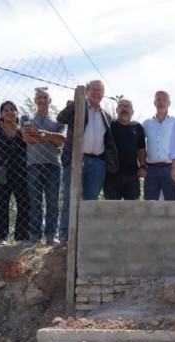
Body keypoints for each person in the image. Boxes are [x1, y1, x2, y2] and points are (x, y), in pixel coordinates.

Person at [56, 80, 118, 242]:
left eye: (100, 90)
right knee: (71, 198)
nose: (97, 93)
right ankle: (65, 235)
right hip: (77, 160)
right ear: (87, 91)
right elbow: (60, 118)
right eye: (94, 89)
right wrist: (78, 102)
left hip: (98, 163)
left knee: (91, 201)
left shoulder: (106, 116)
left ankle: (86, 236)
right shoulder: (78, 107)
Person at [22, 88, 66, 245]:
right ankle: (35, 236)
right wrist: (50, 137)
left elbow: (61, 141)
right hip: (33, 164)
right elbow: (27, 138)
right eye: (39, 97)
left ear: (50, 100)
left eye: (45, 97)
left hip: (53, 164)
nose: (42, 100)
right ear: (35, 100)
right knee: (34, 202)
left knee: (53, 202)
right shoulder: (26, 117)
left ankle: (51, 236)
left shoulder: (59, 121)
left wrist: (39, 133)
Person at [0, 101, 29, 245]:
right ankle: (1, 238)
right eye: (6, 110)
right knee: (1, 204)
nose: (9, 112)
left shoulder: (23, 131)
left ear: (17, 113)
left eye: (12, 110)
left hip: (21, 172)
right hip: (1, 171)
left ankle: (21, 237)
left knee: (24, 202)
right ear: (1, 115)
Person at [104, 99, 146, 200]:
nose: (124, 109)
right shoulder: (109, 126)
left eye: (128, 106)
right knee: (112, 208)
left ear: (132, 111)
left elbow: (141, 149)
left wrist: (143, 167)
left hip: (132, 175)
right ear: (117, 110)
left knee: (132, 209)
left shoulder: (138, 127)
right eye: (122, 106)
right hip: (112, 174)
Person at [141, 90, 175, 201]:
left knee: (172, 203)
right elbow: (141, 147)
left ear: (169, 103)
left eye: (164, 100)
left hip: (169, 168)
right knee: (150, 204)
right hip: (151, 170)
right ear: (154, 103)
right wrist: (142, 166)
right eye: (158, 100)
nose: (161, 102)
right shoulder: (146, 124)